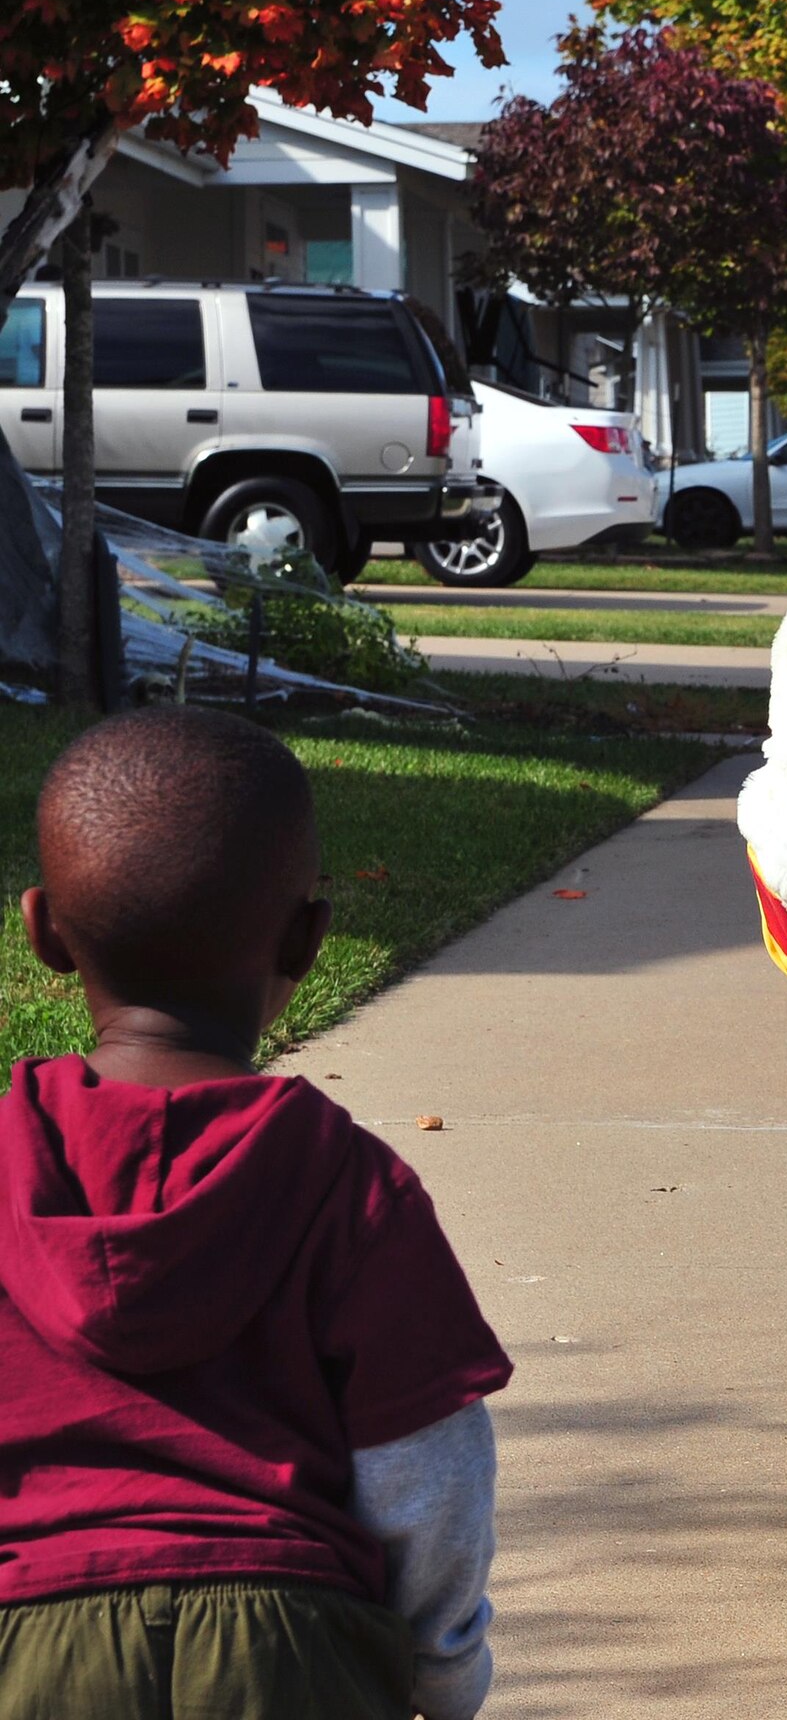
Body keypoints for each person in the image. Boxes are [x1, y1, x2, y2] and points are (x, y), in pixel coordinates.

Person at [1, 708, 512, 1720]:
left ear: (43, 931)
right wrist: (442, 1671)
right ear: (309, 937)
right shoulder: (348, 1182)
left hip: (27, 1634)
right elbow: (427, 1468)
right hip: (291, 1647)